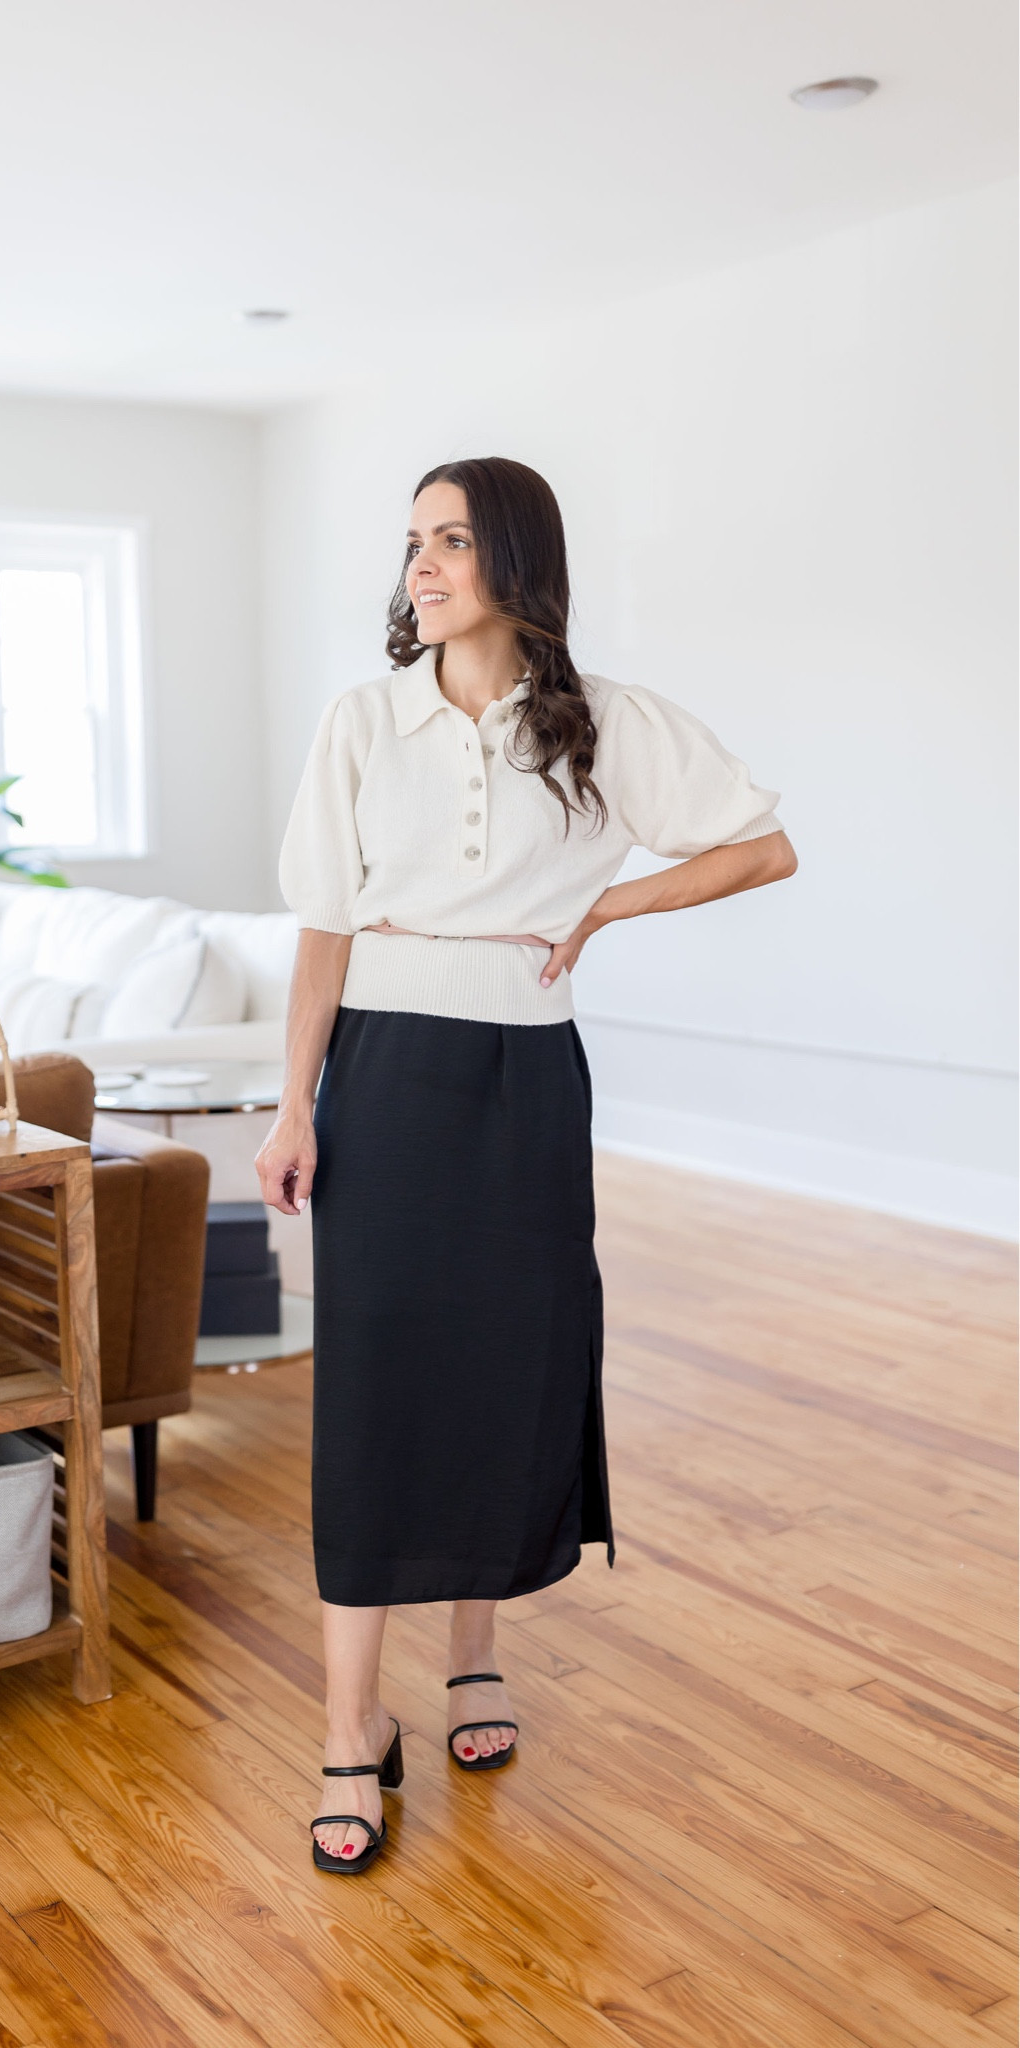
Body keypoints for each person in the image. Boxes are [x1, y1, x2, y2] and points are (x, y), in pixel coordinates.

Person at [256, 456, 797, 1875]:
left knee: (502, 1365)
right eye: (411, 544)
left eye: (448, 542)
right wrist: (292, 1106)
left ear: (512, 560)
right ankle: (345, 1724)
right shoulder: (362, 721)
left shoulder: (600, 723)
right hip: (381, 1074)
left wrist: (611, 901)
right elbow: (320, 928)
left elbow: (761, 847)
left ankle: (472, 1657)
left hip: (525, 1079)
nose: (420, 567)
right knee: (378, 1385)